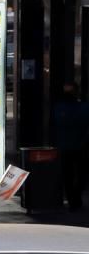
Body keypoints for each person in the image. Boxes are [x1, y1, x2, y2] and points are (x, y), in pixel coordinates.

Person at [51, 82, 89, 211]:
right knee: (80, 173)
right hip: (80, 145)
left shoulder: (59, 108)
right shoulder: (83, 107)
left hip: (65, 145)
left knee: (68, 173)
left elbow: (55, 126)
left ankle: (72, 198)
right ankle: (75, 197)